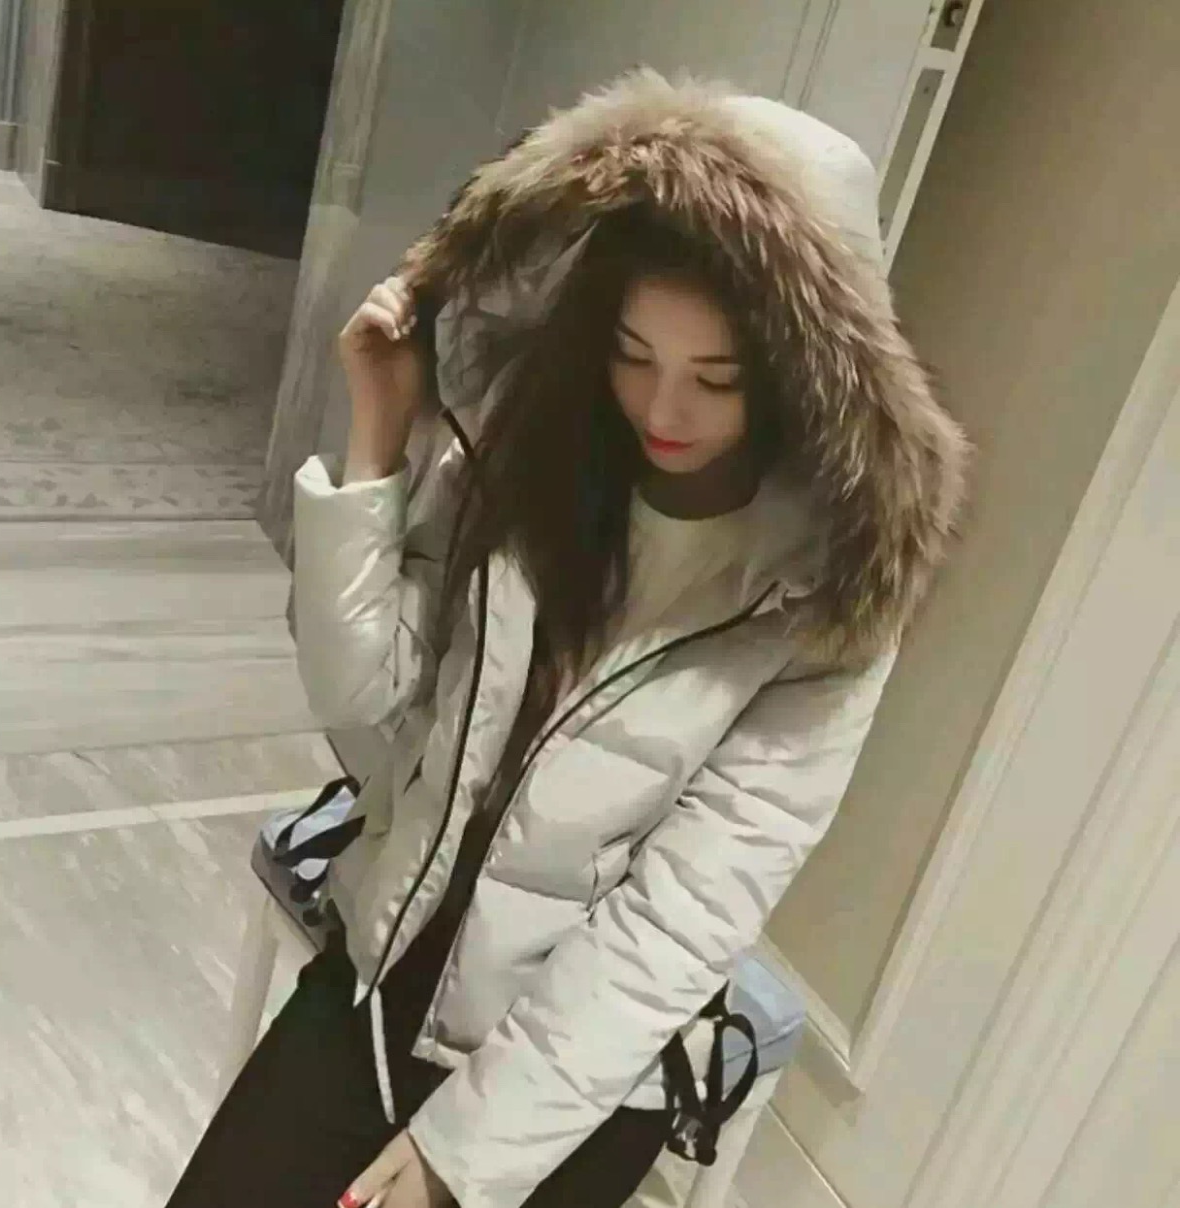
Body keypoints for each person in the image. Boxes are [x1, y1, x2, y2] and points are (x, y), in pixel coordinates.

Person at [166, 71, 967, 1208]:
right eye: (635, 355)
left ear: (799, 379)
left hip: (574, 1075)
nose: (664, 412)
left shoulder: (828, 601)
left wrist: (458, 1157)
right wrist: (378, 438)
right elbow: (362, 709)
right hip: (381, 972)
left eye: (717, 379)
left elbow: (679, 923)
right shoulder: (525, 461)